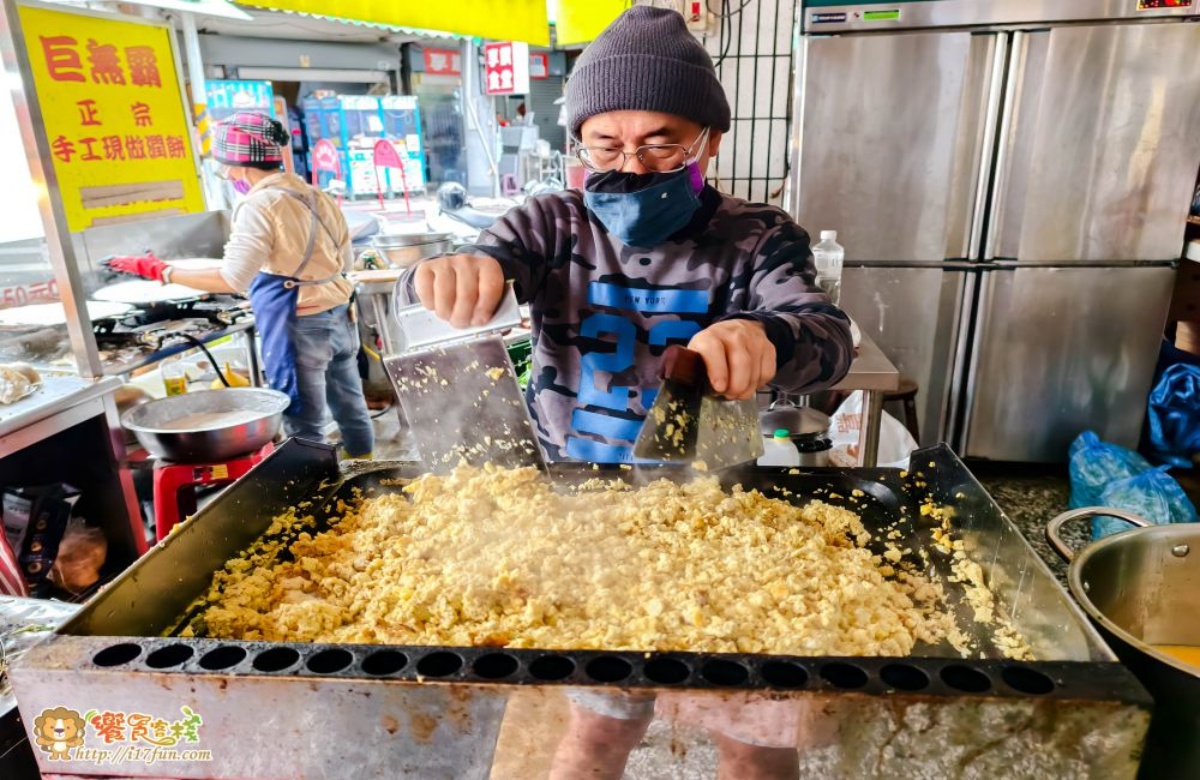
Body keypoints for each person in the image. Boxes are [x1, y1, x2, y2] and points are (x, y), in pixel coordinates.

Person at [406, 7, 854, 778]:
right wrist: (457, 273)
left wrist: (770, 337)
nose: (632, 166)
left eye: (661, 142)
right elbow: (486, 259)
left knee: (753, 745)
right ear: (577, 142)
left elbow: (827, 336)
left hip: (718, 522)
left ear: (709, 139)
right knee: (596, 736)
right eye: (605, 144)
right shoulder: (550, 225)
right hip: (585, 528)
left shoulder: (758, 237)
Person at [107, 111, 374, 459]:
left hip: (302, 324)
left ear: (242, 166)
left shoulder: (260, 204)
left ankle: (320, 498)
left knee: (304, 423)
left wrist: (163, 271)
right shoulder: (316, 195)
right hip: (340, 315)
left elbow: (233, 279)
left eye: (227, 167)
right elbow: (346, 262)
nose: (229, 175)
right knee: (351, 408)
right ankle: (367, 477)